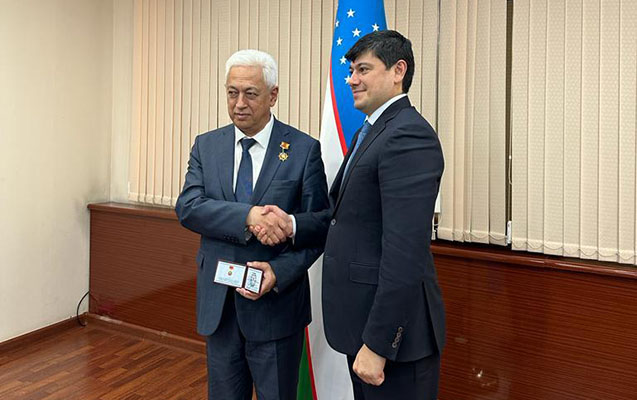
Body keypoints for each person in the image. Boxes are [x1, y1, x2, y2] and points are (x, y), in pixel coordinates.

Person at [255, 30, 445, 399]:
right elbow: (343, 217)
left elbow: (405, 253)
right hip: (361, 326)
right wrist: (291, 223)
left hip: (392, 342)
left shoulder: (408, 136)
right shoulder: (370, 131)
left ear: (398, 70)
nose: (352, 80)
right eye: (351, 71)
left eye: (363, 69)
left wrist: (378, 344)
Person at [175, 49, 329, 400]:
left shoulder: (303, 149)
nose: (239, 103)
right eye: (232, 92)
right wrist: (248, 216)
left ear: (273, 95)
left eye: (250, 93)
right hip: (220, 307)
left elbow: (319, 226)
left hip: (276, 308)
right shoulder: (206, 146)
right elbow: (189, 207)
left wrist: (278, 272)